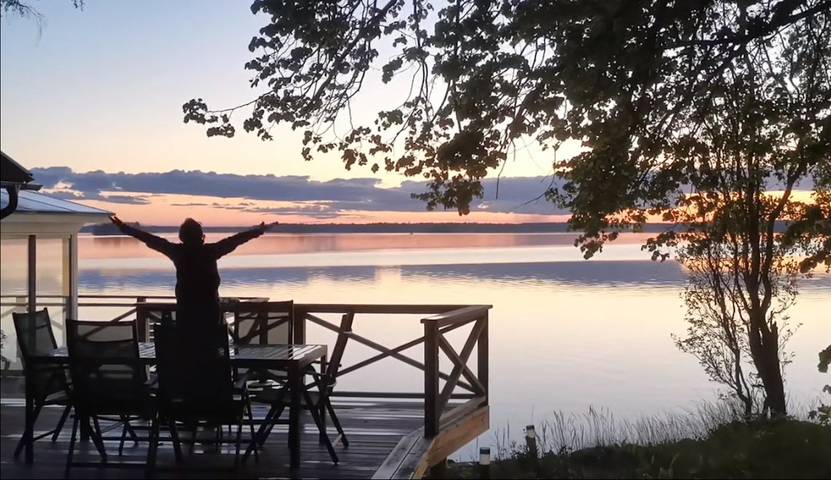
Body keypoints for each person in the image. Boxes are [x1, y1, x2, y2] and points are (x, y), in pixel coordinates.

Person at [110, 215, 277, 343]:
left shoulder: (177, 252)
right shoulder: (210, 251)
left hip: (186, 317)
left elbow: (150, 239)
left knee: (189, 353)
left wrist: (124, 228)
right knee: (210, 353)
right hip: (210, 318)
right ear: (201, 236)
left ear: (181, 237)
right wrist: (258, 230)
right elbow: (236, 240)